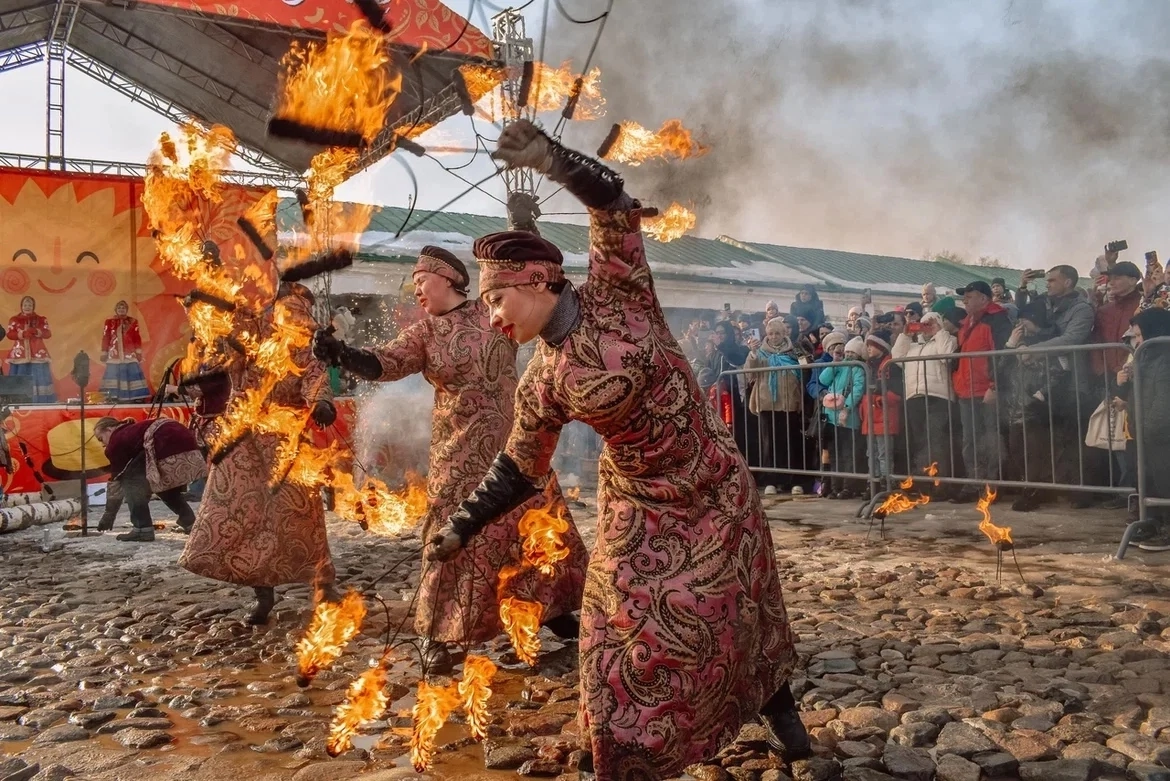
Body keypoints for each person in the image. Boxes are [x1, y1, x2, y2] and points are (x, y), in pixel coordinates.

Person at [426, 120, 807, 779]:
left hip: (714, 483)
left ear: (539, 281)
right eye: (485, 303)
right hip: (637, 506)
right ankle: (626, 758)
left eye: (498, 298)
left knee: (738, 607)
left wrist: (550, 158)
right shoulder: (541, 381)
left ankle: (781, 711)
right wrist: (463, 523)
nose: (492, 316)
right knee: (609, 634)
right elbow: (518, 468)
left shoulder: (618, 290)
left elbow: (611, 204)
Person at [312, 245, 588, 672]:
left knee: (533, 527)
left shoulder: (493, 308)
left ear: (449, 279)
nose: (417, 290)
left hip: (517, 444)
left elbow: (536, 301)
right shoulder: (424, 333)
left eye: (422, 281)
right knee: (450, 538)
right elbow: (385, 363)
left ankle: (549, 608)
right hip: (457, 454)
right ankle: (439, 632)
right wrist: (341, 353)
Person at [178, 282, 339, 625]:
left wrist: (322, 403)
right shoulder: (251, 331)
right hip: (243, 439)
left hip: (287, 440)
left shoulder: (307, 346)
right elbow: (222, 337)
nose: (298, 316)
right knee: (241, 513)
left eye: (302, 310)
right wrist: (203, 301)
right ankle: (262, 592)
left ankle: (323, 584)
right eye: (290, 308)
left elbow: (315, 377)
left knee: (301, 516)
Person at [93, 415, 202, 541]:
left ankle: (142, 529)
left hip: (164, 440)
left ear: (109, 429)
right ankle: (189, 521)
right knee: (161, 483)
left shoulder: (116, 442)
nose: (103, 444)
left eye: (101, 439)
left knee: (131, 482)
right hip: (185, 438)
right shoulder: (131, 431)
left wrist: (109, 514)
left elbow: (117, 481)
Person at [951, 281, 1012, 502]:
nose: (965, 300)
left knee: (991, 438)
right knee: (970, 440)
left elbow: (1002, 356)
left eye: (970, 296)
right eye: (964, 296)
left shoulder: (997, 320)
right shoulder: (966, 324)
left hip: (986, 390)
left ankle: (992, 486)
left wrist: (994, 386)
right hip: (966, 391)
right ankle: (973, 482)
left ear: (984, 298)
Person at [892, 311, 958, 491]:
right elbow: (896, 357)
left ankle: (941, 484)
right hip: (915, 397)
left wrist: (938, 331)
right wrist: (906, 335)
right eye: (923, 324)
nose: (926, 328)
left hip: (938, 397)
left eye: (930, 324)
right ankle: (923, 483)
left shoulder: (947, 340)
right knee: (920, 441)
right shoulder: (913, 346)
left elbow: (947, 355)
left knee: (936, 440)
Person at [744, 317, 806, 494]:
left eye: (777, 333)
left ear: (784, 333)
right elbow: (750, 372)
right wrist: (752, 353)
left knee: (790, 441)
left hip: (789, 401)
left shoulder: (794, 350)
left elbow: (805, 368)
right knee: (768, 443)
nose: (774, 337)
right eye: (770, 333)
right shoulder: (761, 351)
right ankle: (771, 480)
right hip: (767, 402)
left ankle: (793, 481)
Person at [818, 335, 866, 498]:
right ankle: (834, 487)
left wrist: (846, 407)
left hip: (848, 419)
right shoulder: (840, 365)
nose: (849, 355)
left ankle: (848, 487)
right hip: (832, 417)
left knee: (848, 454)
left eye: (853, 352)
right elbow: (823, 379)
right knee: (834, 454)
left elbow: (857, 390)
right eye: (848, 352)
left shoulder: (859, 369)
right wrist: (834, 362)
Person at [860, 330, 902, 483]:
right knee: (871, 453)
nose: (868, 348)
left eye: (871, 345)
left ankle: (886, 481)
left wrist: (883, 399)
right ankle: (874, 481)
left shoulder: (891, 365)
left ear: (881, 346)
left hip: (884, 414)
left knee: (884, 453)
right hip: (871, 415)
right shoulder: (868, 366)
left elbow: (897, 390)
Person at [5, 296, 56, 403]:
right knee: (20, 376)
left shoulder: (40, 319)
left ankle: (41, 401)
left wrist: (37, 331)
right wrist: (22, 334)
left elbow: (48, 333)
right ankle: (18, 401)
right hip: (20, 354)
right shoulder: (14, 320)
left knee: (39, 376)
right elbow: (9, 334)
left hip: (37, 354)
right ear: (21, 306)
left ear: (33, 306)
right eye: (25, 305)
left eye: (30, 305)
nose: (27, 307)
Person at [99, 300, 150, 402]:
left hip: (129, 354)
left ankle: (136, 397)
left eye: (123, 308)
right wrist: (104, 352)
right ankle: (112, 397)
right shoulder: (109, 322)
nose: (121, 310)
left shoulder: (133, 321)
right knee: (113, 374)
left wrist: (138, 352)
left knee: (132, 373)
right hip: (114, 354)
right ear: (116, 310)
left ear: (126, 310)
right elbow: (106, 337)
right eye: (119, 308)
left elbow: (136, 338)